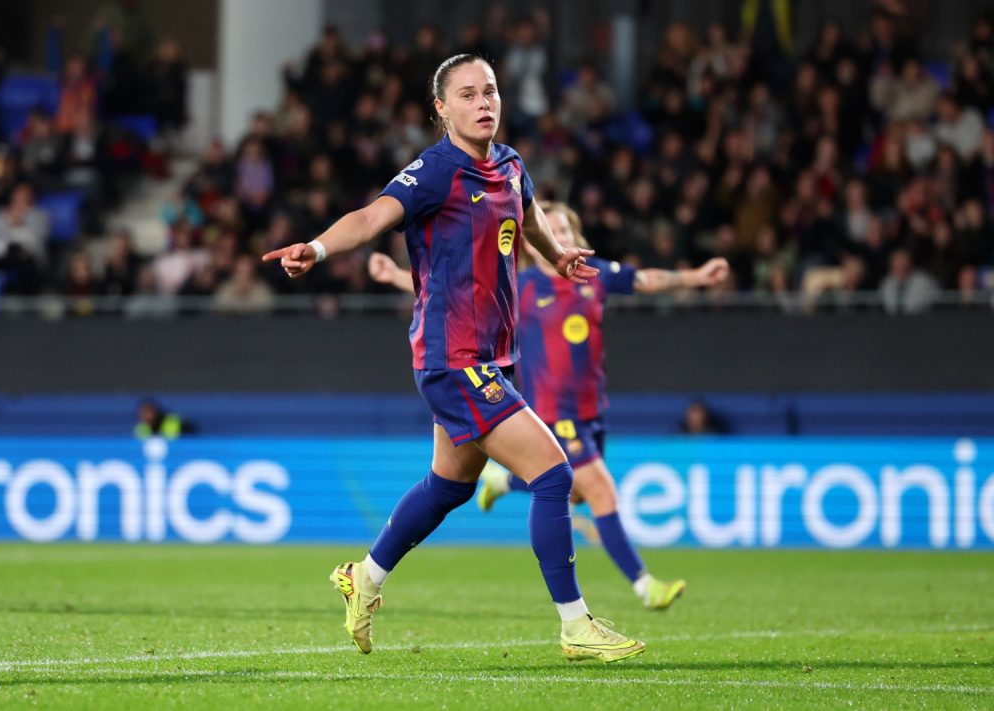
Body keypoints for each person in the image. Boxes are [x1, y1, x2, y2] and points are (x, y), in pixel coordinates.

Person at [263, 54, 644, 662]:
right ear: (441, 109)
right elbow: (371, 216)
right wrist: (317, 247)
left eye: (489, 91)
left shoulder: (510, 164)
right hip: (454, 358)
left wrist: (555, 256)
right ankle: (576, 625)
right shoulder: (435, 172)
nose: (483, 102)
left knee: (450, 486)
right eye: (467, 94)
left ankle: (364, 578)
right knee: (553, 473)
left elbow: (530, 215)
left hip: (492, 355)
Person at [370, 201, 729, 611]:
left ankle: (503, 482)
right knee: (600, 491)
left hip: (591, 411)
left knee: (574, 495)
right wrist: (395, 275)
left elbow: (645, 279)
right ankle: (645, 586)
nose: (559, 237)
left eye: (565, 230)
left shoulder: (593, 276)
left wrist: (697, 276)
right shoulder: (520, 286)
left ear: (576, 238)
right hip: (552, 412)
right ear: (533, 242)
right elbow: (450, 294)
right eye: (551, 231)